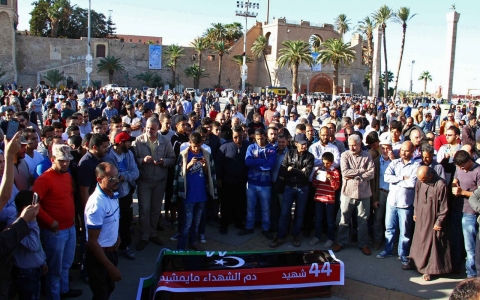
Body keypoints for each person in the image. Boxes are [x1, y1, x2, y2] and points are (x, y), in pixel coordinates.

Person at [32, 144, 82, 299]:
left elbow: (69, 196)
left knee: (66, 264)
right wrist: (50, 221)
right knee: (55, 270)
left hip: (70, 227)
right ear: (52, 159)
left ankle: (64, 290)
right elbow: (34, 205)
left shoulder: (67, 175)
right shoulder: (43, 180)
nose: (65, 163)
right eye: (62, 161)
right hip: (54, 231)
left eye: (67, 160)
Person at [133, 117, 176, 251]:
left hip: (160, 180)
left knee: (156, 209)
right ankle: (144, 236)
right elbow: (133, 160)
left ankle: (153, 233)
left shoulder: (165, 140)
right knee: (144, 209)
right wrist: (142, 160)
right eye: (147, 128)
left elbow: (172, 158)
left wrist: (164, 162)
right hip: (144, 181)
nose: (149, 130)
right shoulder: (138, 141)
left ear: (158, 128)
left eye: (152, 128)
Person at [377, 141, 420, 268]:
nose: (404, 153)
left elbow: (412, 183)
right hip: (392, 201)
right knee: (389, 228)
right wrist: (402, 178)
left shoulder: (416, 166)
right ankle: (388, 250)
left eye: (407, 150)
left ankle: (403, 253)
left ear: (412, 151)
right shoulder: (394, 162)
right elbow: (386, 177)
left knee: (404, 232)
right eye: (402, 150)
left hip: (405, 203)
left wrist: (396, 180)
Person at [172, 132, 217, 251]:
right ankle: (181, 246)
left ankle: (192, 242)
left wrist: (205, 165)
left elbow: (210, 175)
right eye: (193, 146)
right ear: (189, 143)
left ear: (201, 143)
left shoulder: (206, 154)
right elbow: (179, 175)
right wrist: (189, 165)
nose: (196, 148)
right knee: (187, 223)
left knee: (196, 222)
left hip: (201, 195)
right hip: (188, 196)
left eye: (198, 145)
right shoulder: (184, 155)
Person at [84, 162, 122, 299]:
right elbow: (92, 242)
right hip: (99, 258)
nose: (116, 180)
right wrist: (110, 267)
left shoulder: (112, 194)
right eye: (111, 178)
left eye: (117, 176)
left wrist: (116, 237)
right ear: (99, 180)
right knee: (101, 294)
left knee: (109, 288)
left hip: (111, 252)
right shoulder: (96, 204)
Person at [332, 134, 375, 255]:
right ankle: (341, 242)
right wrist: (362, 171)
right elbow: (345, 173)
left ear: (360, 144)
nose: (351, 148)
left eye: (354, 145)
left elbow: (371, 174)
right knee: (344, 219)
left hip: (364, 192)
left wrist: (355, 175)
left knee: (363, 221)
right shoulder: (345, 155)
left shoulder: (367, 156)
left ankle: (363, 244)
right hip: (348, 192)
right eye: (350, 145)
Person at [270, 134, 314, 248]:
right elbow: (283, 170)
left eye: (305, 144)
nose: (304, 146)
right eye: (302, 144)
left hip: (303, 187)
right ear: (296, 144)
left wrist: (292, 169)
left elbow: (306, 175)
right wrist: (299, 171)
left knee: (299, 213)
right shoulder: (289, 153)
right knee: (284, 213)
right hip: (289, 186)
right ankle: (280, 236)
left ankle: (295, 236)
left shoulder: (310, 156)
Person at [407, 166, 451, 281]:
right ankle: (414, 263)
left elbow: (444, 206)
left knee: (431, 245)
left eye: (424, 180)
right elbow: (416, 197)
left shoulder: (440, 185)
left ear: (430, 176)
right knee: (418, 241)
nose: (422, 182)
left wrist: (439, 221)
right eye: (420, 179)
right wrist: (415, 211)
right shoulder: (420, 181)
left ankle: (429, 270)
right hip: (421, 217)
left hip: (433, 219)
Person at [103, 131, 139, 260]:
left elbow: (135, 172)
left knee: (126, 220)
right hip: (113, 196)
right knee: (112, 221)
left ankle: (125, 246)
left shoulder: (129, 154)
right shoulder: (108, 157)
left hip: (126, 193)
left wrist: (124, 177)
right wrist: (121, 177)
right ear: (120, 143)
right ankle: (111, 247)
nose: (130, 143)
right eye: (128, 141)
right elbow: (112, 177)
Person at [239, 128, 276, 239]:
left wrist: (256, 163)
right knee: (250, 207)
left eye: (262, 138)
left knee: (265, 208)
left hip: (265, 185)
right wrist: (262, 161)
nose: (260, 141)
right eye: (257, 139)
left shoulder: (272, 150)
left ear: (265, 136)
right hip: (251, 183)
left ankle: (266, 229)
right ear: (255, 138)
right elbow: (248, 162)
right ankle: (249, 227)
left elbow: (269, 166)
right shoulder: (251, 147)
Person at [12, 190, 48, 300]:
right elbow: (33, 246)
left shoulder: (32, 223)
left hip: (36, 268)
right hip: (26, 273)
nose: (39, 209)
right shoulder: (17, 227)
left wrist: (42, 261)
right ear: (25, 209)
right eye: (36, 207)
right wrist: (32, 222)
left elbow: (38, 245)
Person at [451, 150, 480, 277]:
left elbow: (478, 195)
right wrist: (454, 185)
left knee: (470, 246)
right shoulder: (459, 168)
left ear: (469, 160)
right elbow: (455, 179)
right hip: (457, 209)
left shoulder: (478, 171)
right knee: (456, 241)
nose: (460, 169)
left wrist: (462, 192)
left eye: (462, 166)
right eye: (458, 166)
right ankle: (456, 266)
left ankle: (471, 273)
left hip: (470, 212)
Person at [217, 125, 249, 235]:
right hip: (227, 181)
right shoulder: (225, 146)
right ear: (232, 135)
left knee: (240, 203)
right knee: (226, 204)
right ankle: (224, 224)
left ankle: (238, 222)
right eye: (235, 137)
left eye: (240, 137)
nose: (238, 139)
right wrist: (219, 179)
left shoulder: (247, 145)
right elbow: (218, 164)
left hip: (242, 181)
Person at [309, 152, 340, 248]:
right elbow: (314, 185)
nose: (325, 165)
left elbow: (336, 187)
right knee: (318, 219)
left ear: (332, 162)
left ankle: (330, 238)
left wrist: (330, 178)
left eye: (328, 163)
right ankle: (317, 237)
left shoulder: (335, 172)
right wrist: (317, 177)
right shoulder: (319, 170)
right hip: (319, 198)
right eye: (324, 163)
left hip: (329, 200)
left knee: (330, 220)